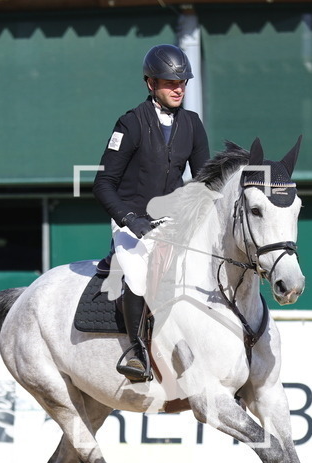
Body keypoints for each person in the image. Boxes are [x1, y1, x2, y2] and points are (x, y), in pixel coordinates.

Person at [93, 44, 210, 382]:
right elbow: (102, 184)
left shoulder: (192, 123)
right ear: (151, 83)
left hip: (172, 221)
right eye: (170, 83)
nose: (179, 89)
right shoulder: (130, 123)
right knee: (138, 272)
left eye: (182, 83)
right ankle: (136, 351)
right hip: (132, 221)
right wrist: (130, 220)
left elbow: (204, 182)